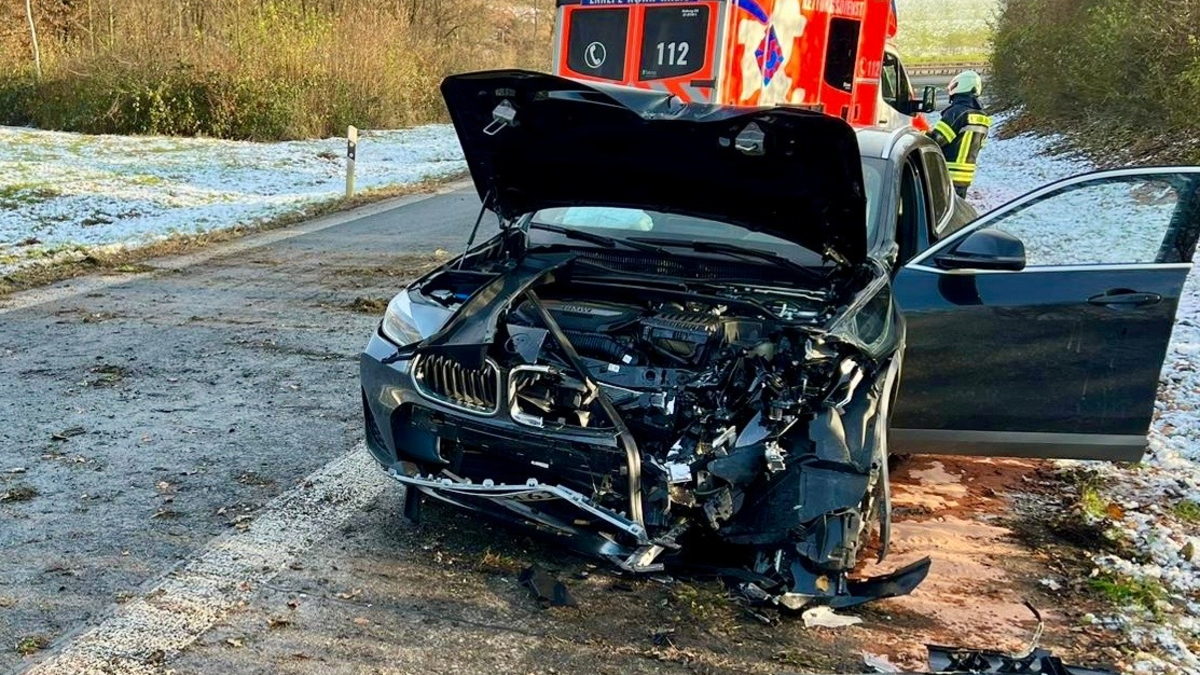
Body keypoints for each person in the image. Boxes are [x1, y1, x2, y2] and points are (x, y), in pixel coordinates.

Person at [929, 70, 991, 198]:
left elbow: (937, 140)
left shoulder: (956, 113)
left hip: (946, 175)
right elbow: (981, 144)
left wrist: (921, 135)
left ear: (959, 86)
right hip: (965, 178)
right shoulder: (983, 117)